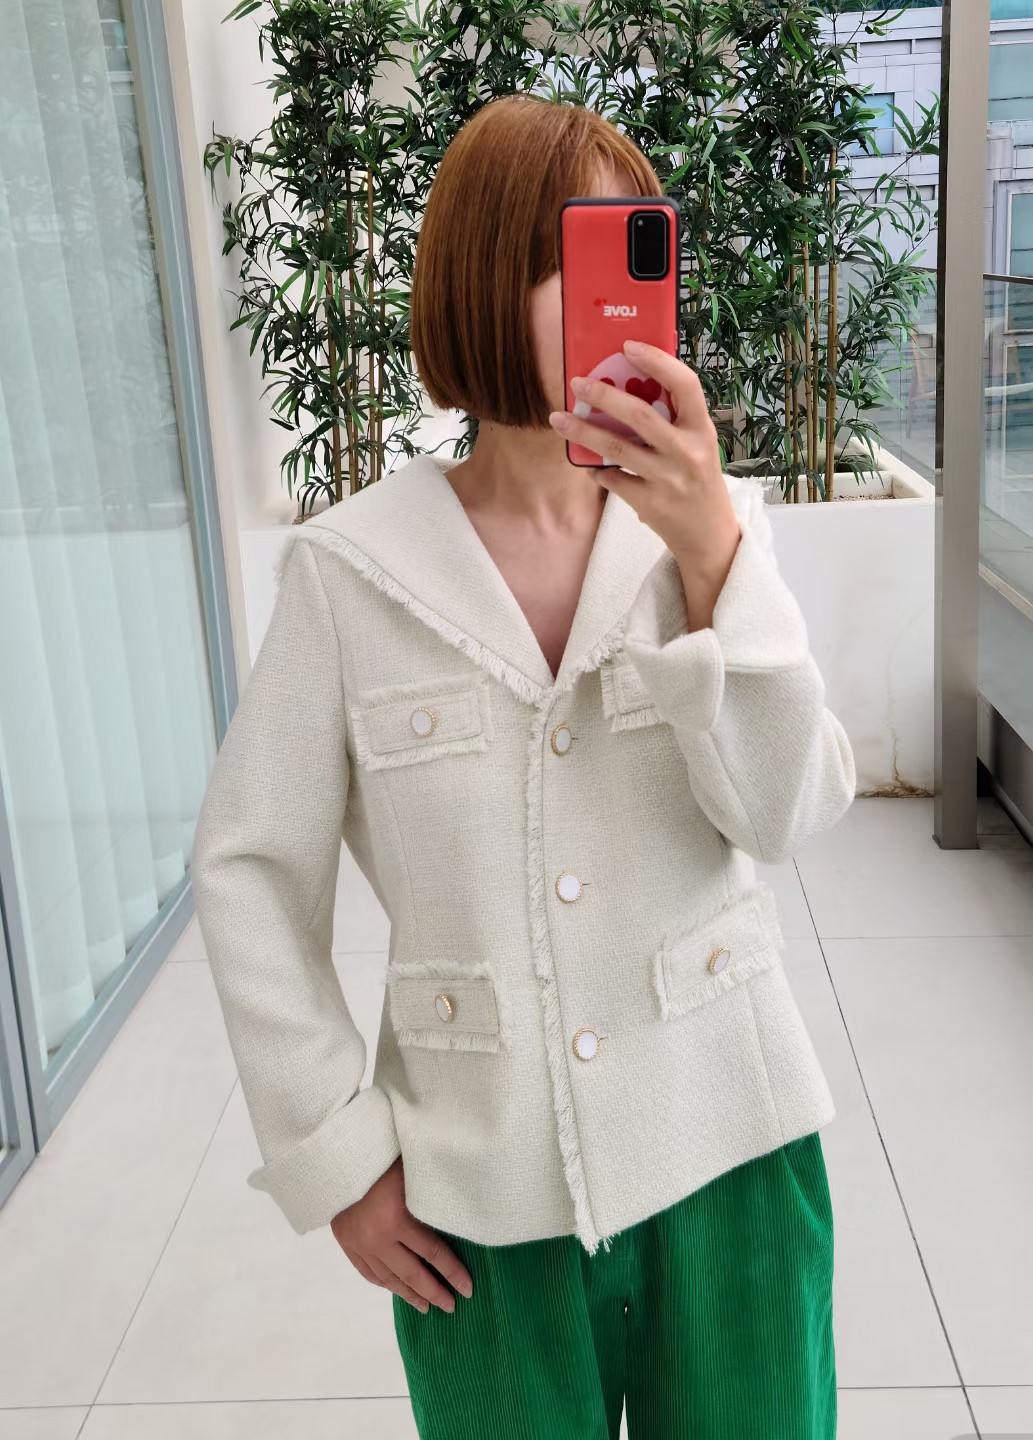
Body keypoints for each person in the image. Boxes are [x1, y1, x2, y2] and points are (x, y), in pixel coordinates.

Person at [191, 93, 856, 1440]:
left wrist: (715, 561)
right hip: (477, 1197)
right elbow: (249, 869)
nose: (617, 297)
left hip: (727, 1145)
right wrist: (335, 1156)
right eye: (575, 254)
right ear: (486, 281)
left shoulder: (709, 535)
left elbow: (786, 811)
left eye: (632, 248)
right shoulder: (350, 574)